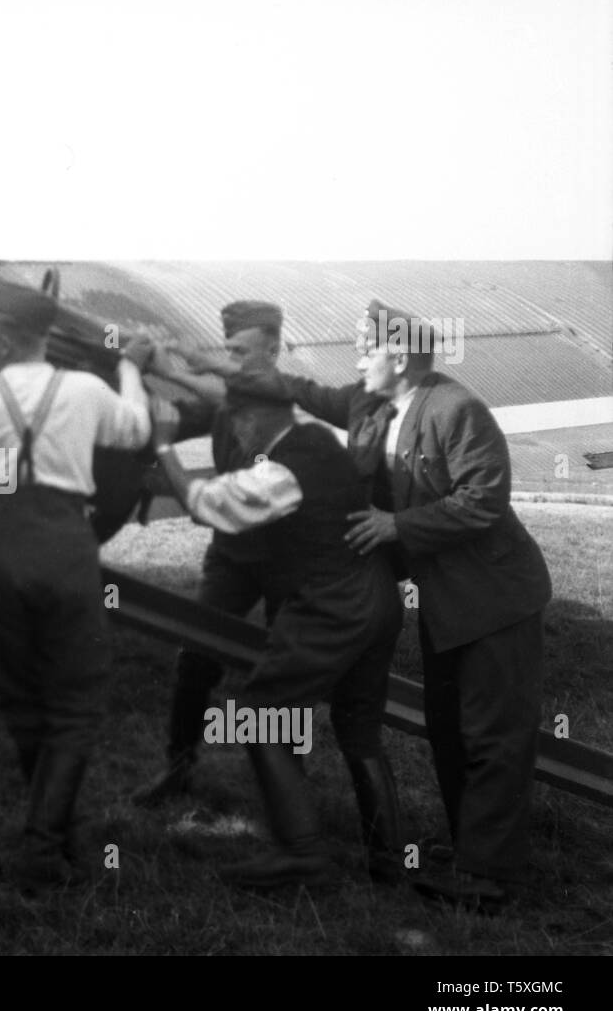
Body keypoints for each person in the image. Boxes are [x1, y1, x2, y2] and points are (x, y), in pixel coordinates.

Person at [223, 300, 552, 910]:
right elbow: (303, 390)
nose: (356, 359)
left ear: (398, 357)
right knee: (450, 731)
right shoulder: (374, 403)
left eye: (363, 348)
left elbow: (483, 500)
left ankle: (493, 877)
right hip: (449, 606)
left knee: (493, 736)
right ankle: (472, 853)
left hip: (495, 600)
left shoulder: (457, 409)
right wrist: (214, 367)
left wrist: (397, 526)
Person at [0, 279, 152, 890]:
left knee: (20, 696)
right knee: (75, 704)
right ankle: (43, 845)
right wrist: (131, 367)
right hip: (62, 547)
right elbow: (135, 431)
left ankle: (49, 833)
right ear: (42, 336)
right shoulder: (84, 389)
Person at [157, 384, 405, 888]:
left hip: (333, 607)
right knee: (360, 730)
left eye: (237, 423)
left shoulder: (282, 469)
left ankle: (302, 854)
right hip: (378, 598)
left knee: (257, 715)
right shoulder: (319, 439)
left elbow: (206, 504)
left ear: (252, 419)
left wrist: (164, 448)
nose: (236, 436)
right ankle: (387, 859)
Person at [132, 300, 289, 807]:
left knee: (283, 671)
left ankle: (288, 790)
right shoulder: (226, 395)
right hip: (233, 551)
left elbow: (223, 393)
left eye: (244, 350)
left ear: (274, 348)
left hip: (286, 554)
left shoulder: (279, 397)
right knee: (196, 652)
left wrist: (160, 363)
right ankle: (178, 768)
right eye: (229, 350)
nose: (235, 359)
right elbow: (195, 406)